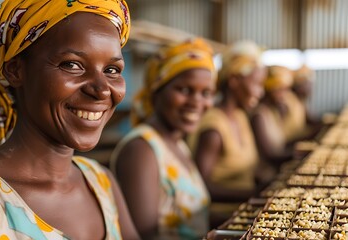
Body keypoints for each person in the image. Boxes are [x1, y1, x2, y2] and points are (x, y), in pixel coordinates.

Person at [0, 1, 140, 240]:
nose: (102, 90)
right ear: (15, 70)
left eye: (112, 70)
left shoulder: (102, 184)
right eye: (72, 65)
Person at [110, 38, 216, 239]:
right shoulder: (141, 150)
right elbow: (145, 236)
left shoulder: (178, 143)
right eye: (184, 90)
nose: (196, 102)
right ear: (156, 93)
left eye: (206, 93)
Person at [187, 40, 266, 228]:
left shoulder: (240, 116)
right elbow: (202, 186)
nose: (260, 92)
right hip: (222, 221)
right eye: (256, 83)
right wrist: (255, 193)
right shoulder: (213, 128)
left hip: (245, 211)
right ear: (234, 81)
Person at [251, 65, 295, 170]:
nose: (283, 95)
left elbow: (282, 143)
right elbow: (270, 155)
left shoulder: (273, 111)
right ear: (269, 90)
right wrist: (296, 155)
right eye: (279, 90)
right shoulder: (258, 116)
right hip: (267, 174)